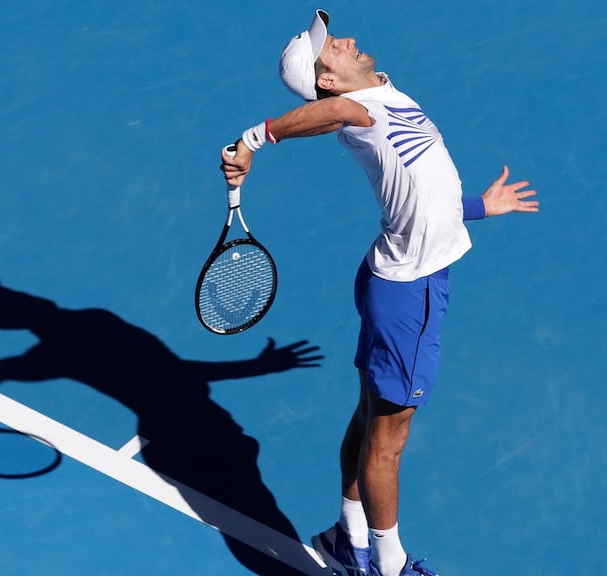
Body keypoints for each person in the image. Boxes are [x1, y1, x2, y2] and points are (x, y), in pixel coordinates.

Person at [219, 10, 539, 576]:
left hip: (394, 278)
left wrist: (477, 208)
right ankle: (387, 568)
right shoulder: (355, 110)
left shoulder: (385, 94)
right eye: (330, 51)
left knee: (371, 418)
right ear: (327, 81)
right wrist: (253, 139)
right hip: (406, 297)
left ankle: (348, 536)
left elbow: (420, 191)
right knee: (388, 441)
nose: (343, 39)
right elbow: (338, 112)